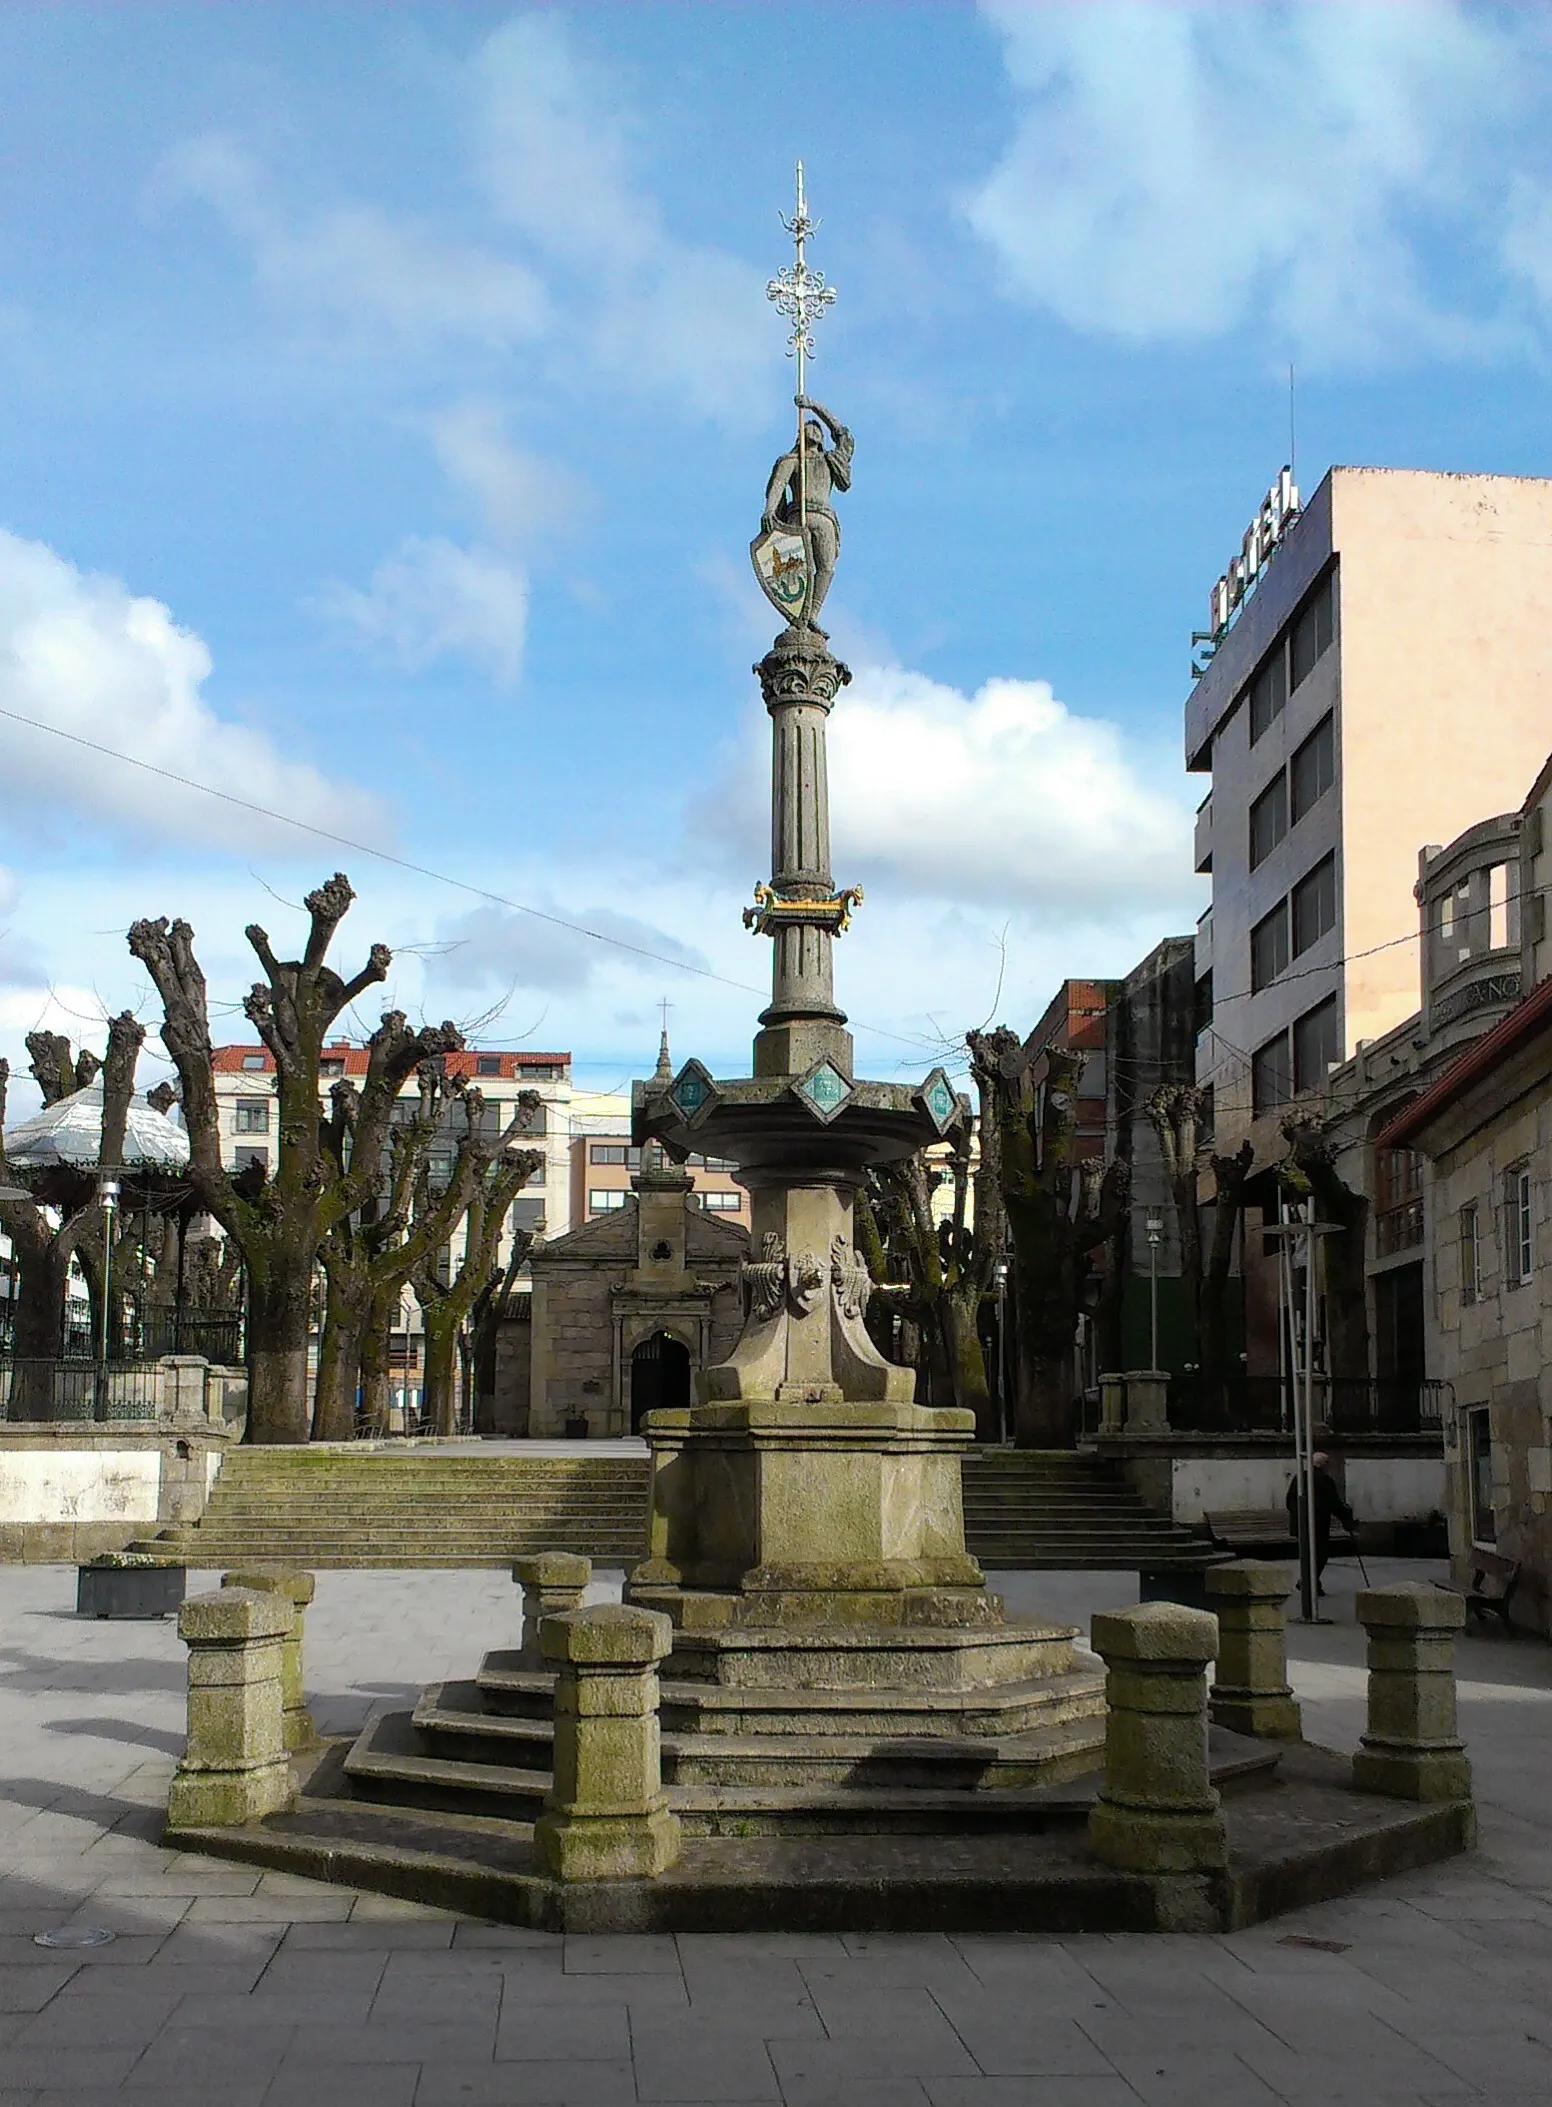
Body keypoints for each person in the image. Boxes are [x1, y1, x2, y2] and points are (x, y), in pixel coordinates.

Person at [760, 396, 853, 626]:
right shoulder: (790, 460)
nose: (814, 430)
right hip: (796, 518)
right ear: (800, 435)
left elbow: (843, 436)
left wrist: (813, 406)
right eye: (808, 427)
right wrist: (769, 511)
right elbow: (777, 486)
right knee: (800, 570)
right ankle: (799, 614)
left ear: (822, 439)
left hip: (824, 518)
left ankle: (811, 614)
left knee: (826, 569)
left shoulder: (830, 461)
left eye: (817, 430)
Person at [1286, 1451, 1357, 1592]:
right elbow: (1335, 1504)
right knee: (1320, 1554)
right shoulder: (1325, 1481)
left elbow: (1290, 1501)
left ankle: (1310, 1582)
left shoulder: (1299, 1478)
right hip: (1318, 1525)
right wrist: (1347, 1520)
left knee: (1307, 1554)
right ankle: (1309, 1582)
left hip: (1301, 1524)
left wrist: (1298, 1516)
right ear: (1324, 1465)